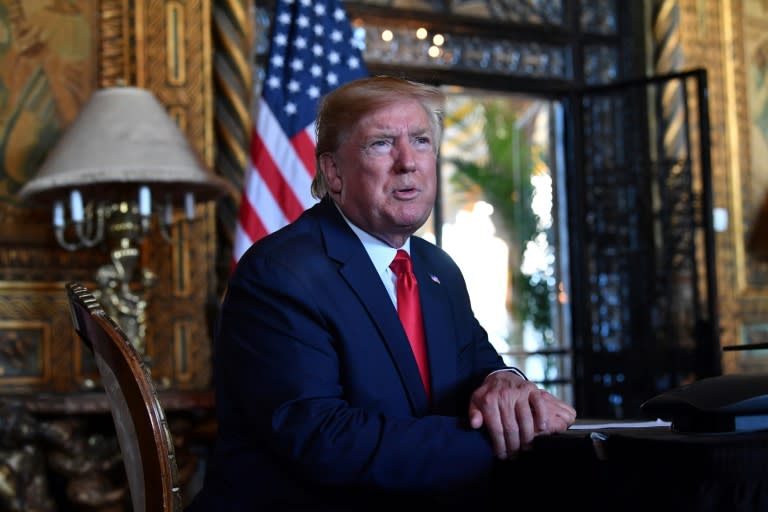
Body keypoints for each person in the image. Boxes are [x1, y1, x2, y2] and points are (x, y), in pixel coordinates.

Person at [187, 75, 577, 511]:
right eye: (382, 143)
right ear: (333, 172)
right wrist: (503, 438)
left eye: (422, 140)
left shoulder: (438, 270)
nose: (408, 161)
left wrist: (506, 385)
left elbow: (480, 366)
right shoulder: (279, 273)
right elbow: (324, 441)